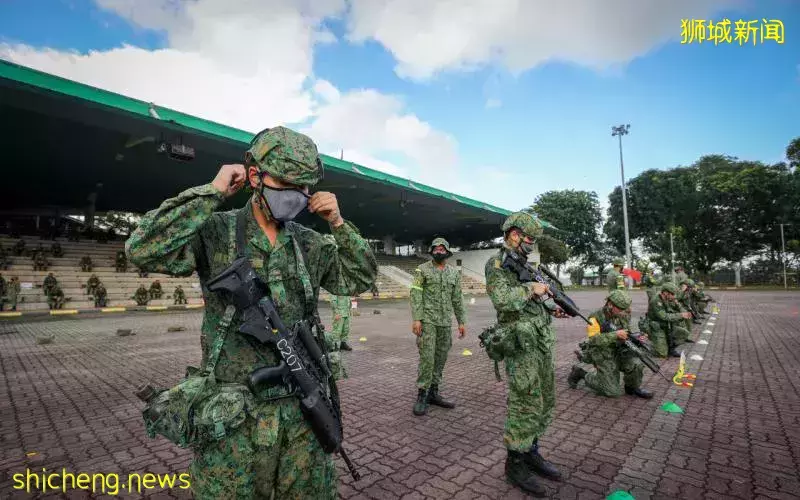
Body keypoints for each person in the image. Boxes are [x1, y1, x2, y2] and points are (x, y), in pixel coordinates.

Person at [126, 125, 377, 499]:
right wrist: (211, 193)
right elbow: (142, 248)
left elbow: (359, 277)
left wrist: (338, 224)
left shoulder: (311, 243)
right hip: (233, 420)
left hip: (303, 415)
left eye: (305, 187)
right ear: (255, 175)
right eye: (289, 183)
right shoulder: (215, 231)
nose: (298, 194)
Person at [484, 210, 565, 497]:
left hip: (541, 341)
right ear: (514, 234)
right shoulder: (496, 264)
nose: (532, 243)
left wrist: (552, 307)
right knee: (525, 401)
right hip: (521, 344)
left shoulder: (525, 263)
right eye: (530, 238)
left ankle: (531, 450)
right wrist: (532, 288)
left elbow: (532, 302)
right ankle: (514, 462)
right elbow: (503, 300)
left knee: (544, 399)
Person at [410, 237, 466, 416]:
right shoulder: (422, 270)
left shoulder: (453, 273)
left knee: (440, 358)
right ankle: (422, 394)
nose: (439, 251)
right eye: (436, 248)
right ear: (431, 251)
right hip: (427, 321)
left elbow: (457, 298)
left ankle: (433, 392)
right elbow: (416, 295)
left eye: (442, 249)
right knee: (427, 357)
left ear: (448, 251)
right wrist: (417, 319)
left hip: (445, 322)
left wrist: (461, 321)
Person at [567, 291, 652, 399]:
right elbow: (593, 340)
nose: (625, 311)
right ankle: (581, 374)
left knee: (636, 364)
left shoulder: (624, 314)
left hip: (620, 350)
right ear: (610, 304)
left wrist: (637, 337)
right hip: (603, 353)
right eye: (621, 308)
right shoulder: (595, 317)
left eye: (626, 308)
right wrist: (615, 335)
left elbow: (627, 332)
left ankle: (632, 388)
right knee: (612, 391)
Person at [641, 282, 692, 358]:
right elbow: (664, 316)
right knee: (662, 354)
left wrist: (681, 309)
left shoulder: (668, 299)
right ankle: (645, 347)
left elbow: (679, 308)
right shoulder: (656, 301)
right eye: (672, 294)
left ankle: (670, 348)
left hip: (666, 326)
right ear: (665, 293)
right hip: (656, 327)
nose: (674, 296)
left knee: (684, 334)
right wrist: (681, 315)